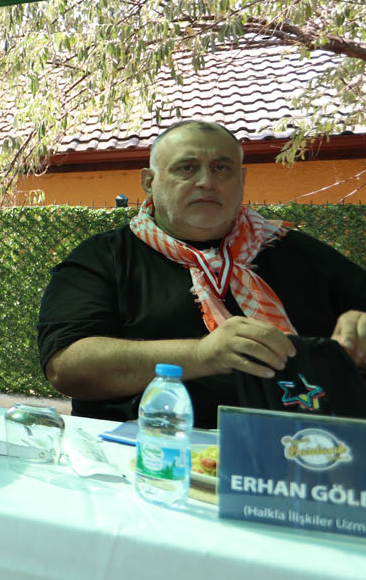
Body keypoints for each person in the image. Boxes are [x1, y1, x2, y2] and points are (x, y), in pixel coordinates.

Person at [37, 119, 366, 427]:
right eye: (186, 168)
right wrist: (202, 355)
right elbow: (67, 368)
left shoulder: (297, 251)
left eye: (222, 168)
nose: (207, 182)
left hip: (301, 452)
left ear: (242, 179)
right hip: (148, 456)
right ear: (149, 182)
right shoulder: (103, 258)